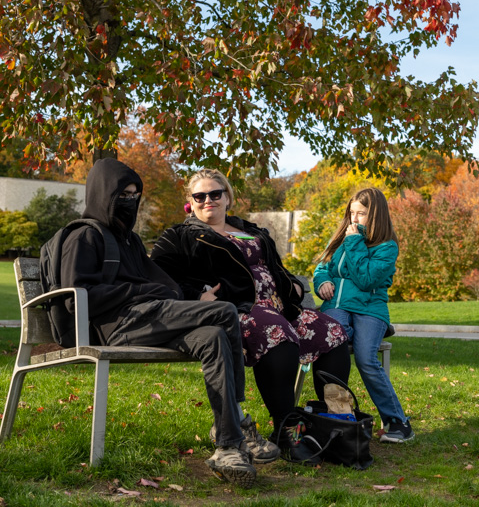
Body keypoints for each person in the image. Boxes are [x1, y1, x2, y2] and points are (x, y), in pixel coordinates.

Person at [52, 158, 257, 487]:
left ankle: (228, 447)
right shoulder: (84, 237)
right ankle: (239, 423)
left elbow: (161, 281)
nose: (130, 202)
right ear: (104, 194)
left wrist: (166, 291)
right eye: (123, 195)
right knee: (225, 311)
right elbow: (77, 295)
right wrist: (142, 291)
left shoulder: (129, 241)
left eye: (135, 195)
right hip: (116, 326)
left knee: (214, 335)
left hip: (148, 318)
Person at [151, 169, 351, 461]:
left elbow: (273, 267)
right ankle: (288, 428)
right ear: (191, 202)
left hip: (282, 307)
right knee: (276, 333)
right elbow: (159, 276)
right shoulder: (180, 236)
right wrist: (197, 295)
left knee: (332, 333)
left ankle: (333, 423)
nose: (209, 200)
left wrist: (291, 283)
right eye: (200, 196)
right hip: (236, 311)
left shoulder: (251, 230)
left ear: (228, 197)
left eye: (215, 193)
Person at [313, 187, 414, 443]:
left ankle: (398, 423)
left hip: (370, 308)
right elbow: (322, 267)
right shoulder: (339, 238)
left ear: (376, 215)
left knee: (366, 358)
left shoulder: (386, 246)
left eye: (361, 214)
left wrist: (355, 242)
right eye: (352, 213)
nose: (354, 219)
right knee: (331, 341)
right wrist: (322, 281)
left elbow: (367, 278)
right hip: (337, 305)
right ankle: (336, 414)